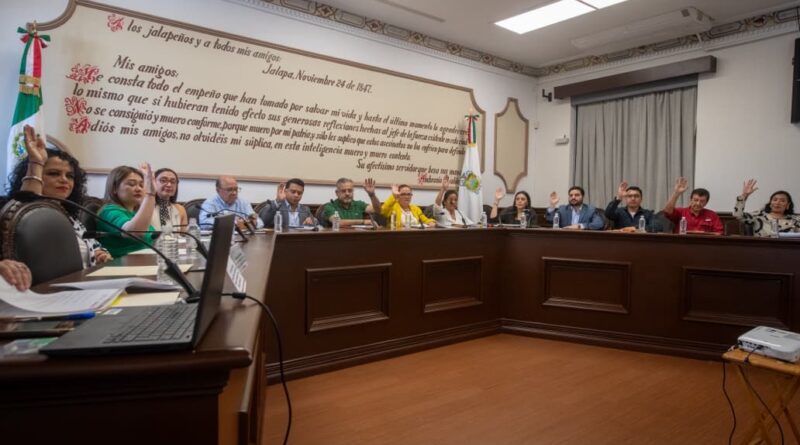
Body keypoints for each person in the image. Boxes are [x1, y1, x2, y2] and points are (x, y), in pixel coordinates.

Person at [8, 124, 112, 267]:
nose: (64, 180)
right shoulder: (25, 212)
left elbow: (94, 245)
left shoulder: (70, 216)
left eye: (70, 176)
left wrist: (100, 254)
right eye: (53, 173)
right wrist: (36, 162)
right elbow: (28, 210)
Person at [97, 164, 157, 257]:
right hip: (121, 264)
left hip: (145, 261)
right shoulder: (109, 211)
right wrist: (150, 194)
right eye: (132, 184)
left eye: (141, 185)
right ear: (114, 188)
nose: (138, 189)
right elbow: (135, 233)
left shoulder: (135, 212)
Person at [734, 179, 800, 236]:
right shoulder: (758, 216)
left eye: (782, 201)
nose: (777, 203)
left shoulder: (796, 220)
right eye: (775, 200)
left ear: (788, 205)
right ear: (770, 203)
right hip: (762, 246)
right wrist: (744, 195)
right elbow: (737, 216)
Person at [199, 175, 263, 231]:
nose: (234, 193)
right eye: (230, 190)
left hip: (243, 237)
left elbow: (260, 222)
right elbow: (204, 224)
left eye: (236, 189)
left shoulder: (243, 202)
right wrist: (234, 224)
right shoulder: (210, 203)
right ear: (218, 190)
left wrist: (253, 222)